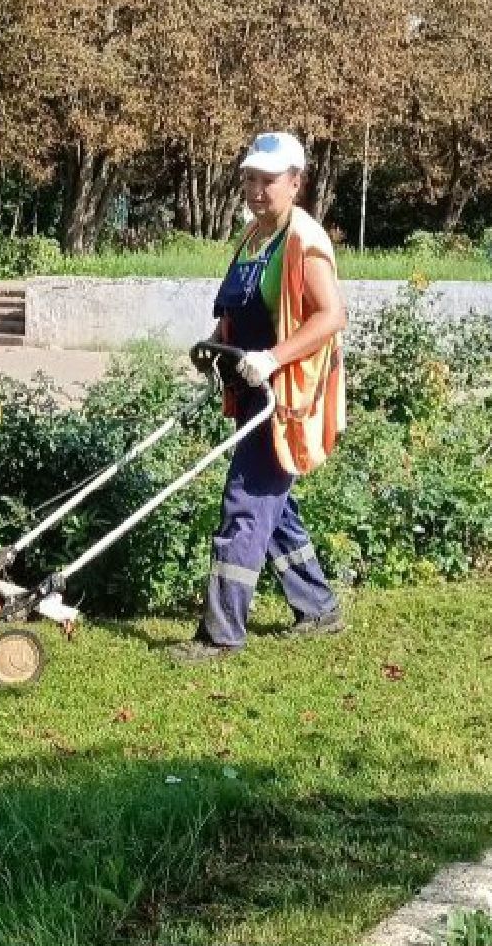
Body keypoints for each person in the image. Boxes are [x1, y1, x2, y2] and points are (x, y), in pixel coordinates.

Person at [170, 131, 348, 663]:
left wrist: (272, 358)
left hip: (288, 396)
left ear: (296, 182)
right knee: (275, 506)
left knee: (246, 504)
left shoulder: (304, 239)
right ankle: (319, 608)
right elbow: (239, 311)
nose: (255, 189)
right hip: (251, 390)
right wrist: (216, 347)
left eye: (268, 180)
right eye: (249, 178)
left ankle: (222, 634)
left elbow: (331, 315)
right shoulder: (252, 240)